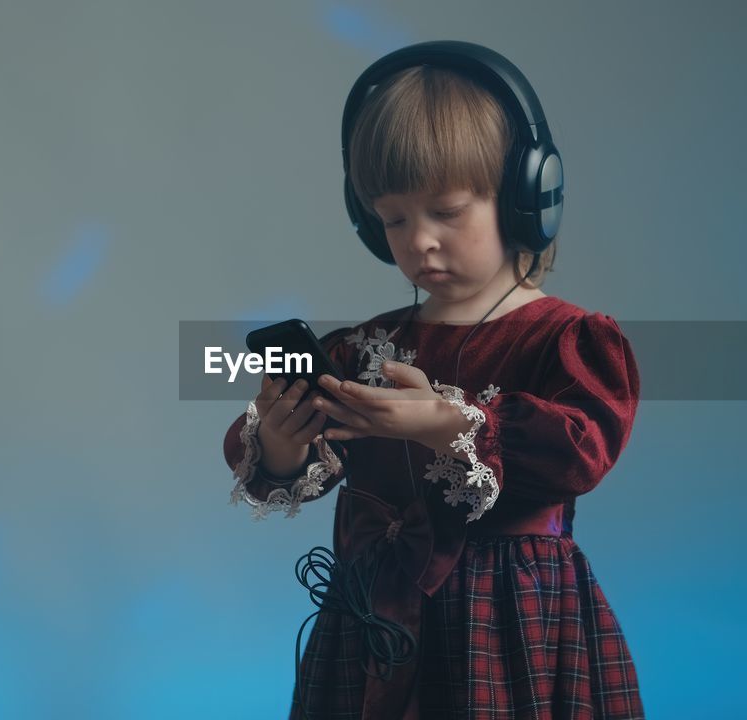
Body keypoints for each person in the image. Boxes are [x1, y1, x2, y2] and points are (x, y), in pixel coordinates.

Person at [222, 43, 645, 719]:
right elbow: (293, 465)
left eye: (446, 212)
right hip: (372, 622)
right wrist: (281, 439)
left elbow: (582, 448)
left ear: (523, 197)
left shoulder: (564, 338)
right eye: (393, 219)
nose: (419, 241)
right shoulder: (361, 347)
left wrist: (451, 423)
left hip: (504, 622)